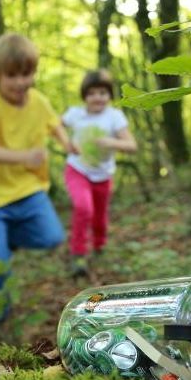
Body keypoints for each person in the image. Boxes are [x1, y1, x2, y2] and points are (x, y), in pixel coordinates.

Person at [0, 32, 73, 323]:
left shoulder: (38, 100)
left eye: (26, 74)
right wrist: (24, 157)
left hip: (29, 187)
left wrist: (67, 144)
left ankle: (10, 237)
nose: (20, 82)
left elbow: (54, 124)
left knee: (52, 237)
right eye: (12, 76)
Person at [62, 69, 136, 277]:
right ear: (84, 95)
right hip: (77, 169)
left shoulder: (114, 117)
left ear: (109, 96)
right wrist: (66, 143)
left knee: (100, 216)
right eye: (92, 93)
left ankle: (99, 244)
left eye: (103, 93)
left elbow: (132, 145)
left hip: (103, 175)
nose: (98, 98)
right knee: (83, 207)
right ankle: (78, 254)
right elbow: (54, 127)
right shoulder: (75, 114)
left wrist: (111, 142)